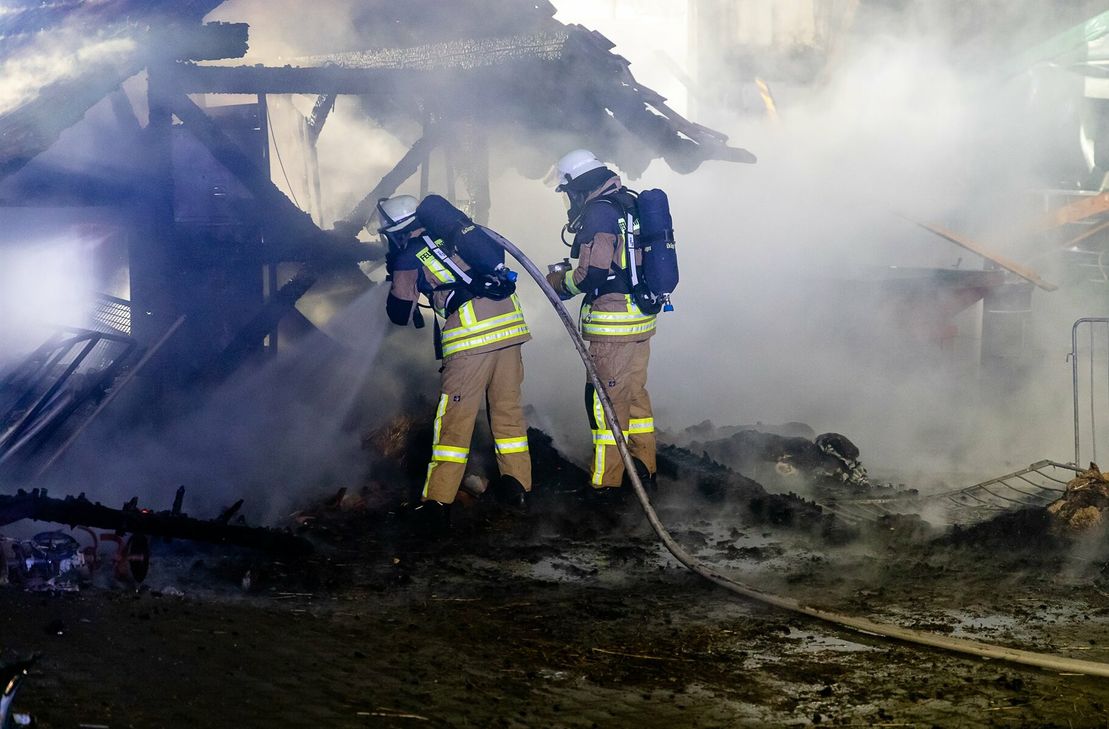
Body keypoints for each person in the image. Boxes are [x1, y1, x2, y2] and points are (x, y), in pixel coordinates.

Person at [379, 194, 532, 534]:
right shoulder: (453, 235)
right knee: (507, 413)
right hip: (510, 329)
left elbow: (399, 313)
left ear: (396, 229)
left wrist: (398, 278)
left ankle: (437, 504)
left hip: (471, 340)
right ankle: (518, 488)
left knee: (453, 424)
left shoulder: (408, 252)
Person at [544, 150, 657, 498]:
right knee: (636, 397)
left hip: (613, 324)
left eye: (568, 193)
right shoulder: (628, 203)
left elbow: (593, 273)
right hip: (640, 316)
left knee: (605, 401)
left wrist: (561, 284)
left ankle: (606, 484)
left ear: (577, 189)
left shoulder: (598, 212)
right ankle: (645, 470)